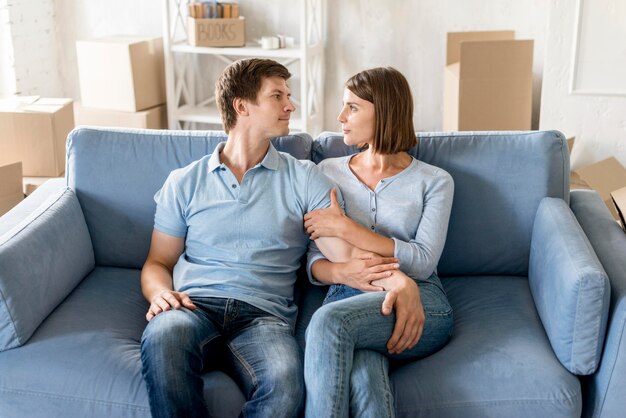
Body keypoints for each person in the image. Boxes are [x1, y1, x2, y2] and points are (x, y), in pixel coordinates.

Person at [139, 58, 355, 418]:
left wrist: (342, 231)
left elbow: (343, 258)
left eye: (289, 95)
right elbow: (158, 262)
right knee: (163, 340)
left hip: (264, 315)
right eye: (277, 96)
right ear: (242, 106)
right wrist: (161, 293)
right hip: (193, 305)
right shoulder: (185, 181)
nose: (291, 105)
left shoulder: (304, 178)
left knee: (286, 385)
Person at [303, 67, 455, 417]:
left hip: (419, 297)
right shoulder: (326, 172)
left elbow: (422, 261)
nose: (341, 117)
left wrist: (347, 229)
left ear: (384, 110)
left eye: (353, 107)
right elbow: (314, 258)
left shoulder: (434, 182)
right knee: (362, 373)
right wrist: (344, 272)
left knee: (329, 324)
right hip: (346, 294)